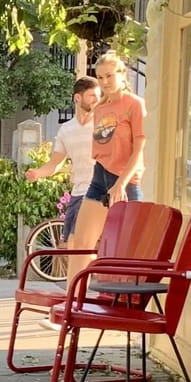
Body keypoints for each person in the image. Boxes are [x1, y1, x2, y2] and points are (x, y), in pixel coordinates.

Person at [73, 51, 146, 250]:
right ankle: (77, 283)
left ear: (122, 74)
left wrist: (121, 184)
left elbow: (139, 150)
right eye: (100, 77)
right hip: (100, 175)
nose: (105, 81)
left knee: (128, 249)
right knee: (81, 243)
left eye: (110, 75)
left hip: (125, 182)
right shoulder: (100, 109)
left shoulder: (135, 105)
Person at [26, 78, 99, 247]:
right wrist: (37, 173)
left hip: (98, 192)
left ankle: (84, 273)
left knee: (82, 244)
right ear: (77, 98)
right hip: (78, 192)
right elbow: (55, 163)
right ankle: (80, 274)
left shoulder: (102, 125)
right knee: (69, 245)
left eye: (98, 96)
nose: (97, 100)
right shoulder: (66, 130)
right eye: (92, 96)